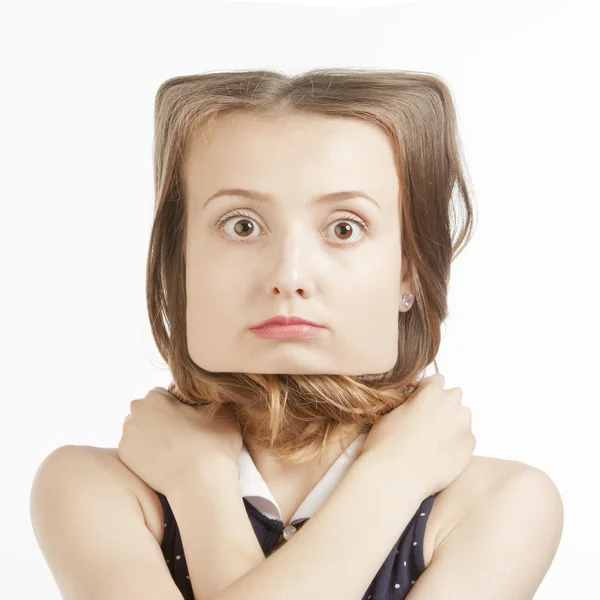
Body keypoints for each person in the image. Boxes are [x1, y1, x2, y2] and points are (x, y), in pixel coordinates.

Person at [29, 68, 563, 600]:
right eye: (242, 225)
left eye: (344, 228)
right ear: (181, 258)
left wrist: (394, 474)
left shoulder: (499, 505)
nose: (288, 276)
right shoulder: (94, 490)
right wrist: (201, 485)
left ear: (410, 267)